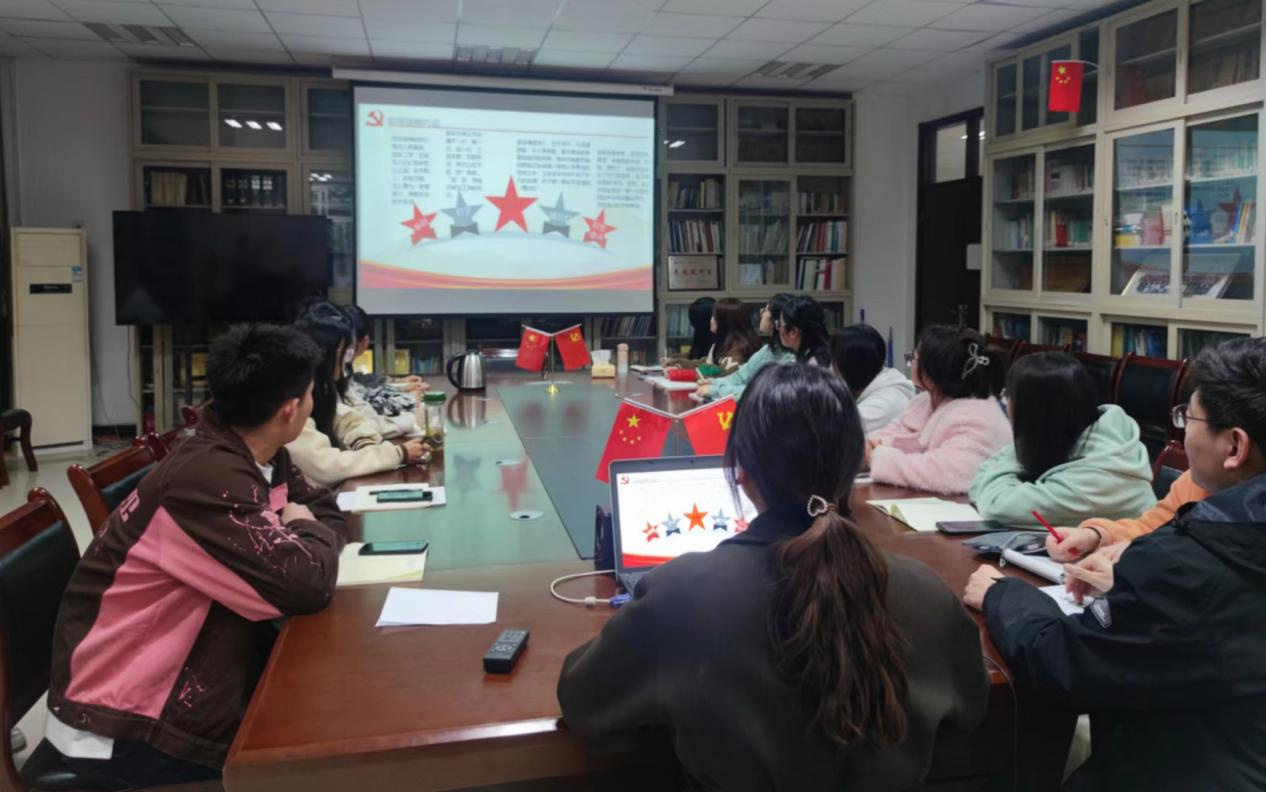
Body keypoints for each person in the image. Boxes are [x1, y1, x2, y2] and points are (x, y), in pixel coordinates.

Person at [558, 364, 989, 791]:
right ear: (853, 465)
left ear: (742, 473)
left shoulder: (681, 596)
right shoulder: (927, 594)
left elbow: (584, 702)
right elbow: (971, 708)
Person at [34, 324, 349, 787]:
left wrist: (305, 530)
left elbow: (328, 511)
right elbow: (305, 585)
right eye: (308, 394)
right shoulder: (205, 478)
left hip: (189, 680)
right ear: (290, 409)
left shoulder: (257, 453)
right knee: (333, 750)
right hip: (124, 724)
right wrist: (303, 527)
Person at [963, 337, 1266, 791]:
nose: (1182, 432)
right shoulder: (1208, 523)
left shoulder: (1183, 568)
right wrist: (1108, 541)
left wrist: (1002, 594)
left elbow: (1065, 663)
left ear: (1235, 446)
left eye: (1188, 418)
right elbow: (1158, 528)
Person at [970, 352, 1155, 528]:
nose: (1005, 403)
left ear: (1032, 413)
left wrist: (994, 484)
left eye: (1007, 396)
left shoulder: (1090, 483)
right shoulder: (1073, 436)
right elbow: (980, 479)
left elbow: (995, 506)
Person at [285, 303, 428, 488]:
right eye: (344, 351)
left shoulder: (323, 386)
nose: (347, 358)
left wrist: (366, 443)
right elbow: (326, 467)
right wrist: (396, 453)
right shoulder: (293, 393)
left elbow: (346, 417)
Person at [866, 325, 1011, 495]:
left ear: (928, 376)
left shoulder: (977, 417)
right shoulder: (924, 401)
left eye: (913, 357)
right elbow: (885, 437)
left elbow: (943, 474)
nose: (910, 362)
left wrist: (879, 457)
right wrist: (871, 449)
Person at [339, 305, 423, 439]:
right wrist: (411, 413)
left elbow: (363, 397)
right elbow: (364, 418)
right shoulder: (326, 377)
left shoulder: (342, 370)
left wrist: (398, 386)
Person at [698, 293, 796, 401]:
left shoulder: (792, 359)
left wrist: (717, 390)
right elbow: (741, 376)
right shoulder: (769, 350)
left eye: (766, 310)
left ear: (778, 320)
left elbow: (763, 392)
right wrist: (714, 382)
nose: (762, 313)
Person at [830, 324, 914, 433]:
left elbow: (830, 436)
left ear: (849, 368)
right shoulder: (885, 381)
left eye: (834, 362)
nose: (831, 370)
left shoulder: (880, 407)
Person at [664, 298, 758, 374]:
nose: (711, 320)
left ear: (724, 322)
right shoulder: (721, 343)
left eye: (714, 316)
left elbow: (724, 373)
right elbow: (705, 363)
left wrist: (680, 374)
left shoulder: (740, 348)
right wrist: (677, 363)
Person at [776, 295, 831, 367]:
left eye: (780, 323)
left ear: (793, 332)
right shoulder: (826, 353)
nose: (777, 328)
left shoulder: (812, 365)